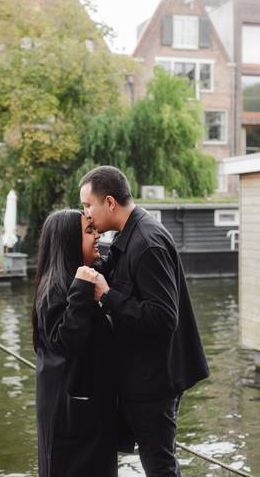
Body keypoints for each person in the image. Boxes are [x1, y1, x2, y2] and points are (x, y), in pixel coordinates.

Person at [79, 166, 210, 477]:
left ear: (109, 202)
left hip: (156, 381)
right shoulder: (131, 235)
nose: (85, 214)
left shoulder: (147, 243)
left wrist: (107, 295)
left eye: (87, 205)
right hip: (145, 375)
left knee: (160, 467)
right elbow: (116, 274)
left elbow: (165, 318)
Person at [32, 209, 118, 477]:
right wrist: (81, 287)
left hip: (87, 416)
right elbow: (66, 342)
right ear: (69, 240)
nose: (97, 235)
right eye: (89, 231)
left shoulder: (77, 278)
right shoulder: (54, 289)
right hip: (70, 422)